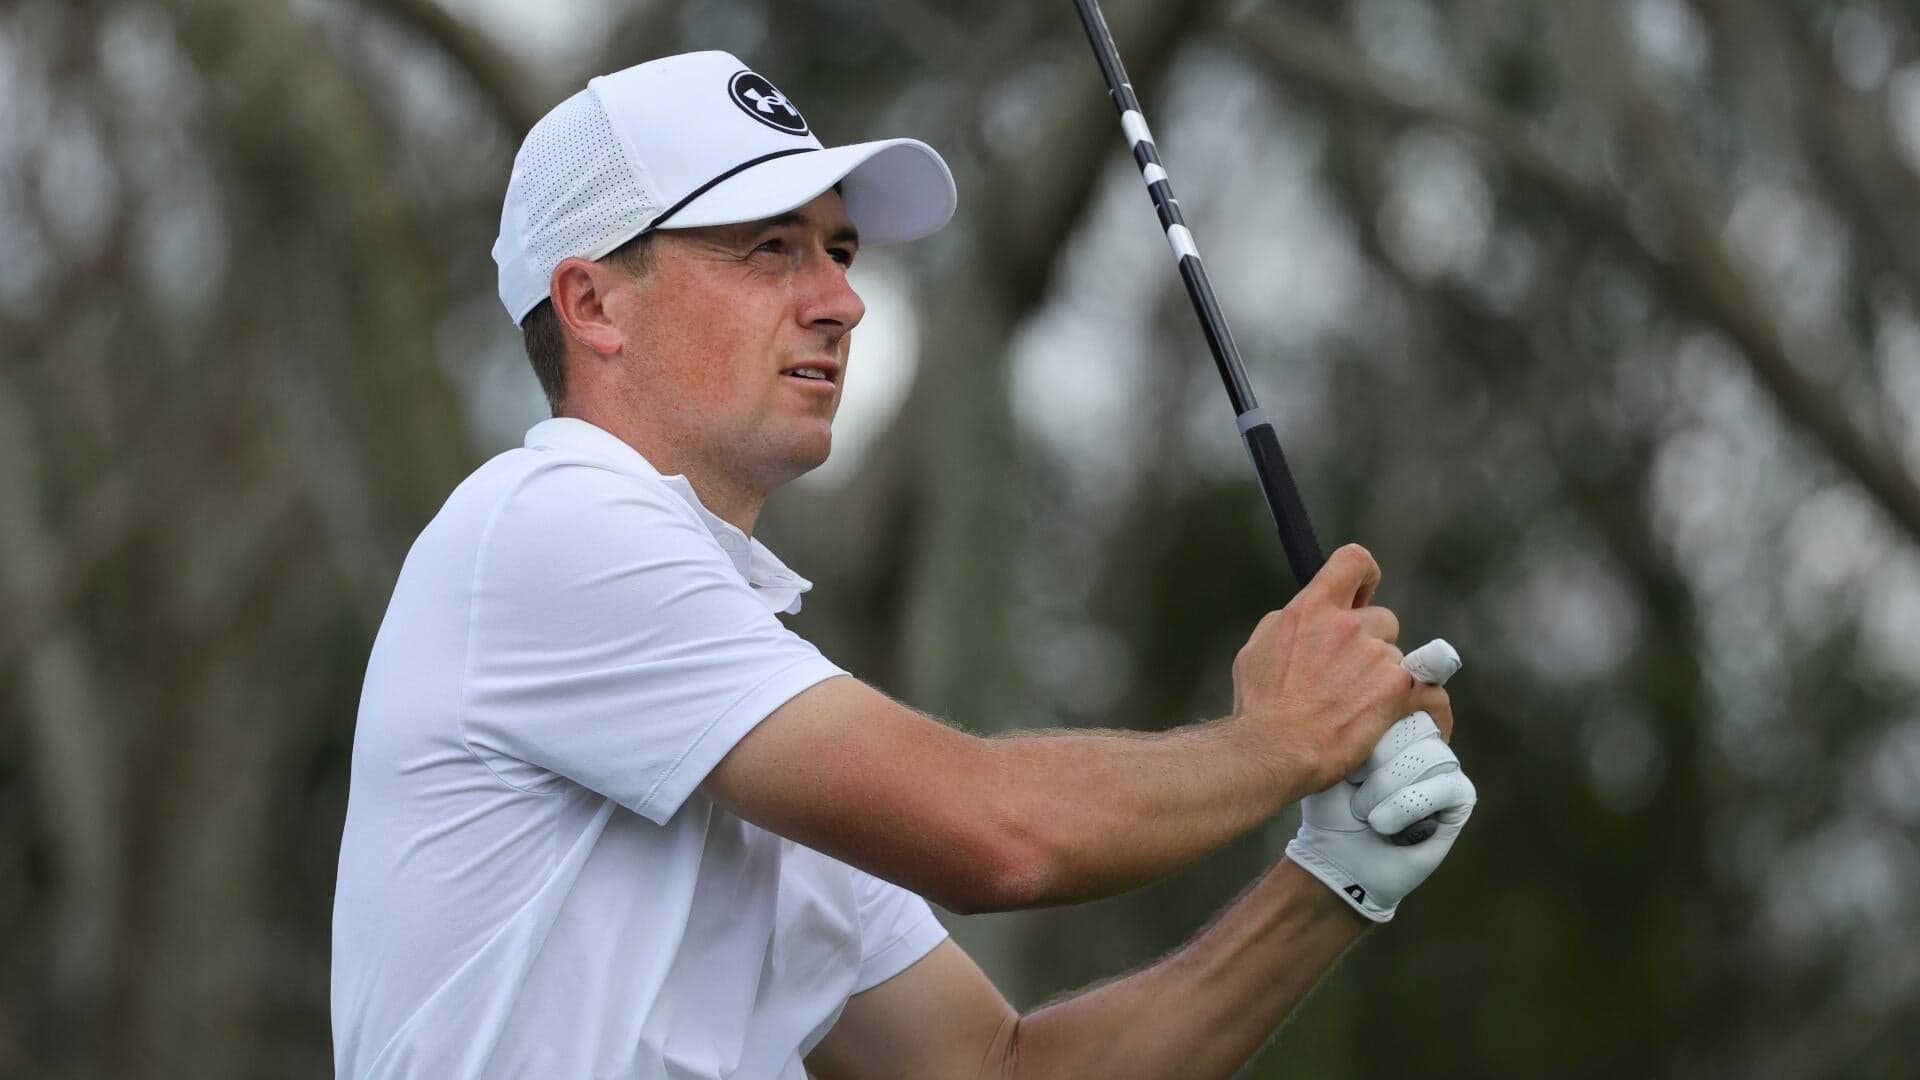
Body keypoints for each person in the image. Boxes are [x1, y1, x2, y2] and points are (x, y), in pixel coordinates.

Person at [330, 50, 1477, 1079]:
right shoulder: (549, 522)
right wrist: (1284, 740)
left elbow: (997, 1069)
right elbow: (998, 838)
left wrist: (1335, 881)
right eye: (770, 249)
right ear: (592, 304)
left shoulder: (730, 680)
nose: (841, 302)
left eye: (837, 251)